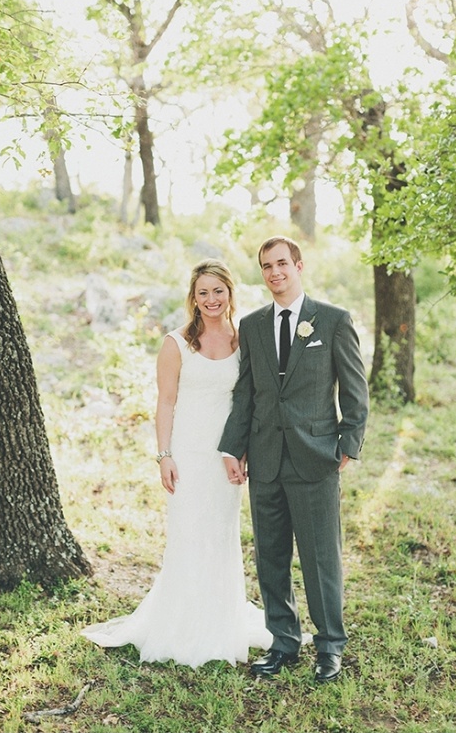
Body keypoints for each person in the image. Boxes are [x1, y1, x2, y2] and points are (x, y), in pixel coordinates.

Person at [81, 259, 271, 667]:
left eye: (218, 291)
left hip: (227, 455)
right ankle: (183, 625)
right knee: (188, 533)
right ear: (193, 297)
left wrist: (241, 451)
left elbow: (248, 402)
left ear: (230, 293)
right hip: (187, 452)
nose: (211, 299)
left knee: (221, 535)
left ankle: (221, 623)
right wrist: (164, 455)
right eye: (203, 292)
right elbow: (165, 402)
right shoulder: (177, 343)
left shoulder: (244, 340)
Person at [219, 236, 369, 683]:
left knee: (322, 559)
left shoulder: (334, 320)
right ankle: (283, 643)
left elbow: (356, 392)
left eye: (282, 263)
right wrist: (233, 447)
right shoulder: (252, 325)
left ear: (299, 266)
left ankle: (329, 648)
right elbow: (245, 393)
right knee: (270, 558)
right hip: (264, 460)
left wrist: (348, 443)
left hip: (316, 458)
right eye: (266, 266)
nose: (274, 272)